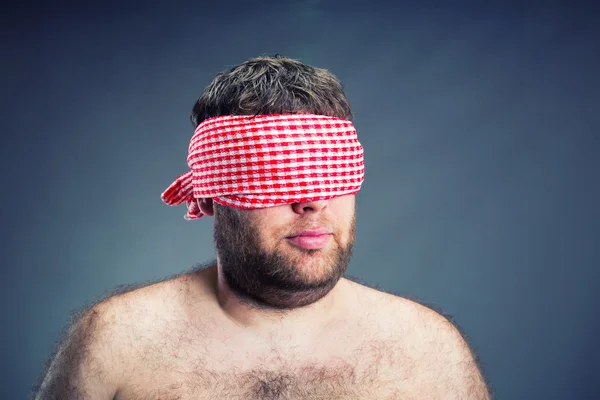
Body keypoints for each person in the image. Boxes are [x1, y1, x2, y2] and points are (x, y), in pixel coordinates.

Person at [33, 55, 493, 399]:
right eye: (276, 174)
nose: (313, 201)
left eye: (333, 174)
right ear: (211, 193)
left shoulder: (428, 351)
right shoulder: (116, 342)